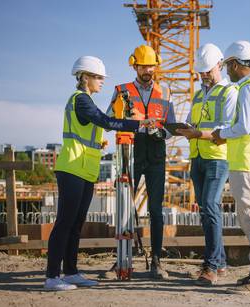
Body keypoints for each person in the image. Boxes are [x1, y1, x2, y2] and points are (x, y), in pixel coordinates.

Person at [44, 56, 157, 291]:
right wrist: (139, 124)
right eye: (98, 77)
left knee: (76, 224)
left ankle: (71, 272)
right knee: (64, 223)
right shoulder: (81, 100)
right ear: (85, 77)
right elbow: (104, 121)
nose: (102, 81)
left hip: (85, 170)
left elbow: (96, 126)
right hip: (72, 168)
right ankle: (52, 277)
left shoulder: (87, 100)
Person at [107, 45, 176, 279]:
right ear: (134, 65)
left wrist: (155, 128)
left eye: (151, 66)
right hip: (130, 154)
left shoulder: (165, 92)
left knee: (156, 210)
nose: (148, 70)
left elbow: (171, 128)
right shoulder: (122, 90)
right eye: (144, 66)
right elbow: (109, 121)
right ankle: (120, 261)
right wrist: (130, 120)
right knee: (125, 208)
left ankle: (156, 261)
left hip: (156, 156)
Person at [211, 41, 250, 294]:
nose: (227, 71)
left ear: (236, 63)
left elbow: (244, 127)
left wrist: (220, 134)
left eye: (228, 66)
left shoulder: (248, 88)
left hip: (247, 163)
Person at [176, 43, 238, 286]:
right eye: (200, 72)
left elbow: (225, 128)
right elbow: (193, 121)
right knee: (205, 210)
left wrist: (196, 134)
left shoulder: (229, 92)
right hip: (197, 157)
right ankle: (220, 263)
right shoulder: (199, 95)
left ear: (219, 66)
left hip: (217, 158)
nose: (204, 76)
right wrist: (180, 129)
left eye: (208, 71)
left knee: (211, 205)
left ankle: (211, 266)